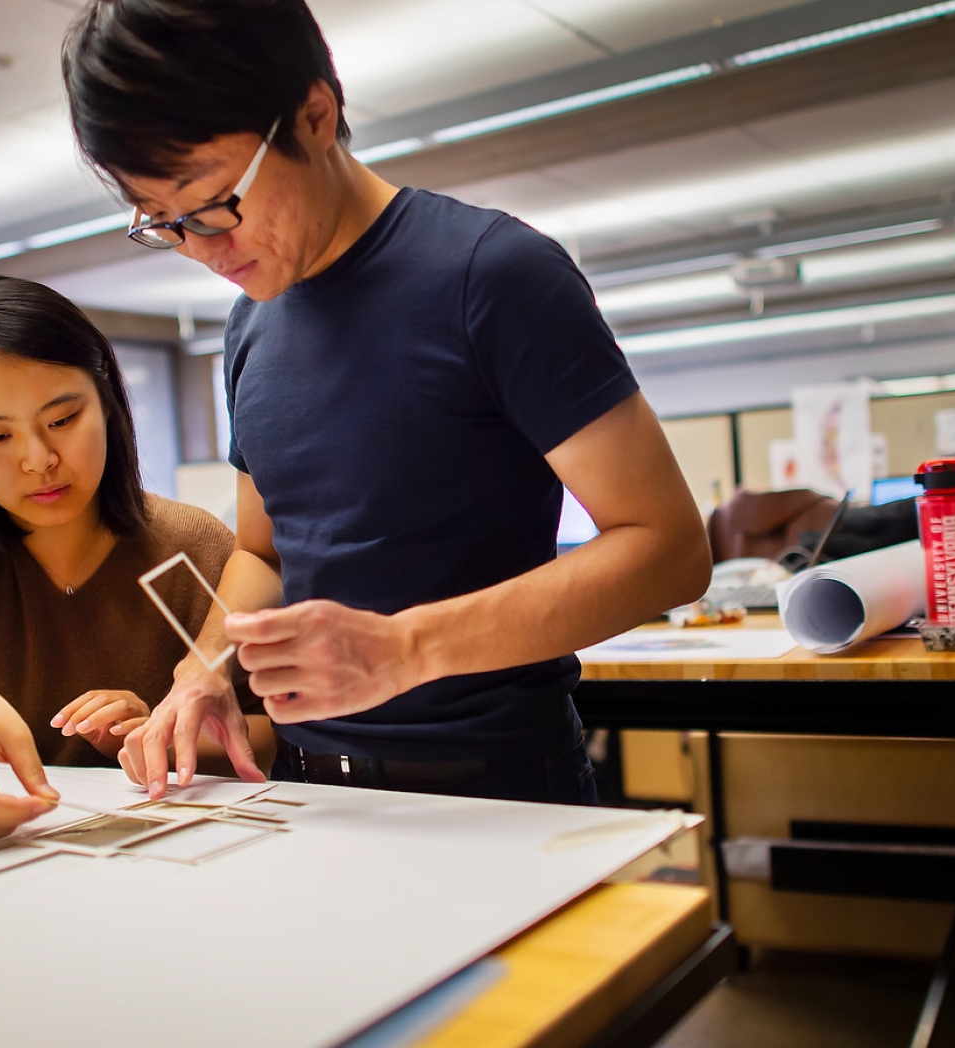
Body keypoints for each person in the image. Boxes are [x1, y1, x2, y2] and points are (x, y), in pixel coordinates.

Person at [63, 0, 711, 804]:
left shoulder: (493, 275)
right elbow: (264, 553)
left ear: (314, 116)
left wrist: (409, 646)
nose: (201, 250)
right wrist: (202, 672)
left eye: (215, 205)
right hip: (308, 792)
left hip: (493, 790)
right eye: (163, 224)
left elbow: (669, 550)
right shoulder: (248, 325)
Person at [0, 275, 265, 845]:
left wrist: (156, 738)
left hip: (157, 861)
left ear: (108, 400)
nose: (38, 460)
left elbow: (267, 731)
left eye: (63, 420)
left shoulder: (193, 545)